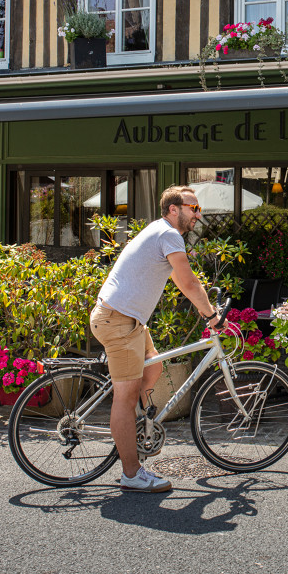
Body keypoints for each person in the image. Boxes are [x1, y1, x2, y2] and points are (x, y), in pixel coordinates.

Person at [90, 185, 218, 493]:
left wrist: (204, 300)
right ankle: (132, 474)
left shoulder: (161, 232)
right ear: (174, 209)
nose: (198, 215)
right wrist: (211, 315)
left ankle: (142, 427)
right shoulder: (168, 234)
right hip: (119, 321)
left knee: (154, 366)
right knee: (124, 398)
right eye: (194, 208)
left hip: (129, 322)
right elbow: (187, 281)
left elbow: (178, 277)